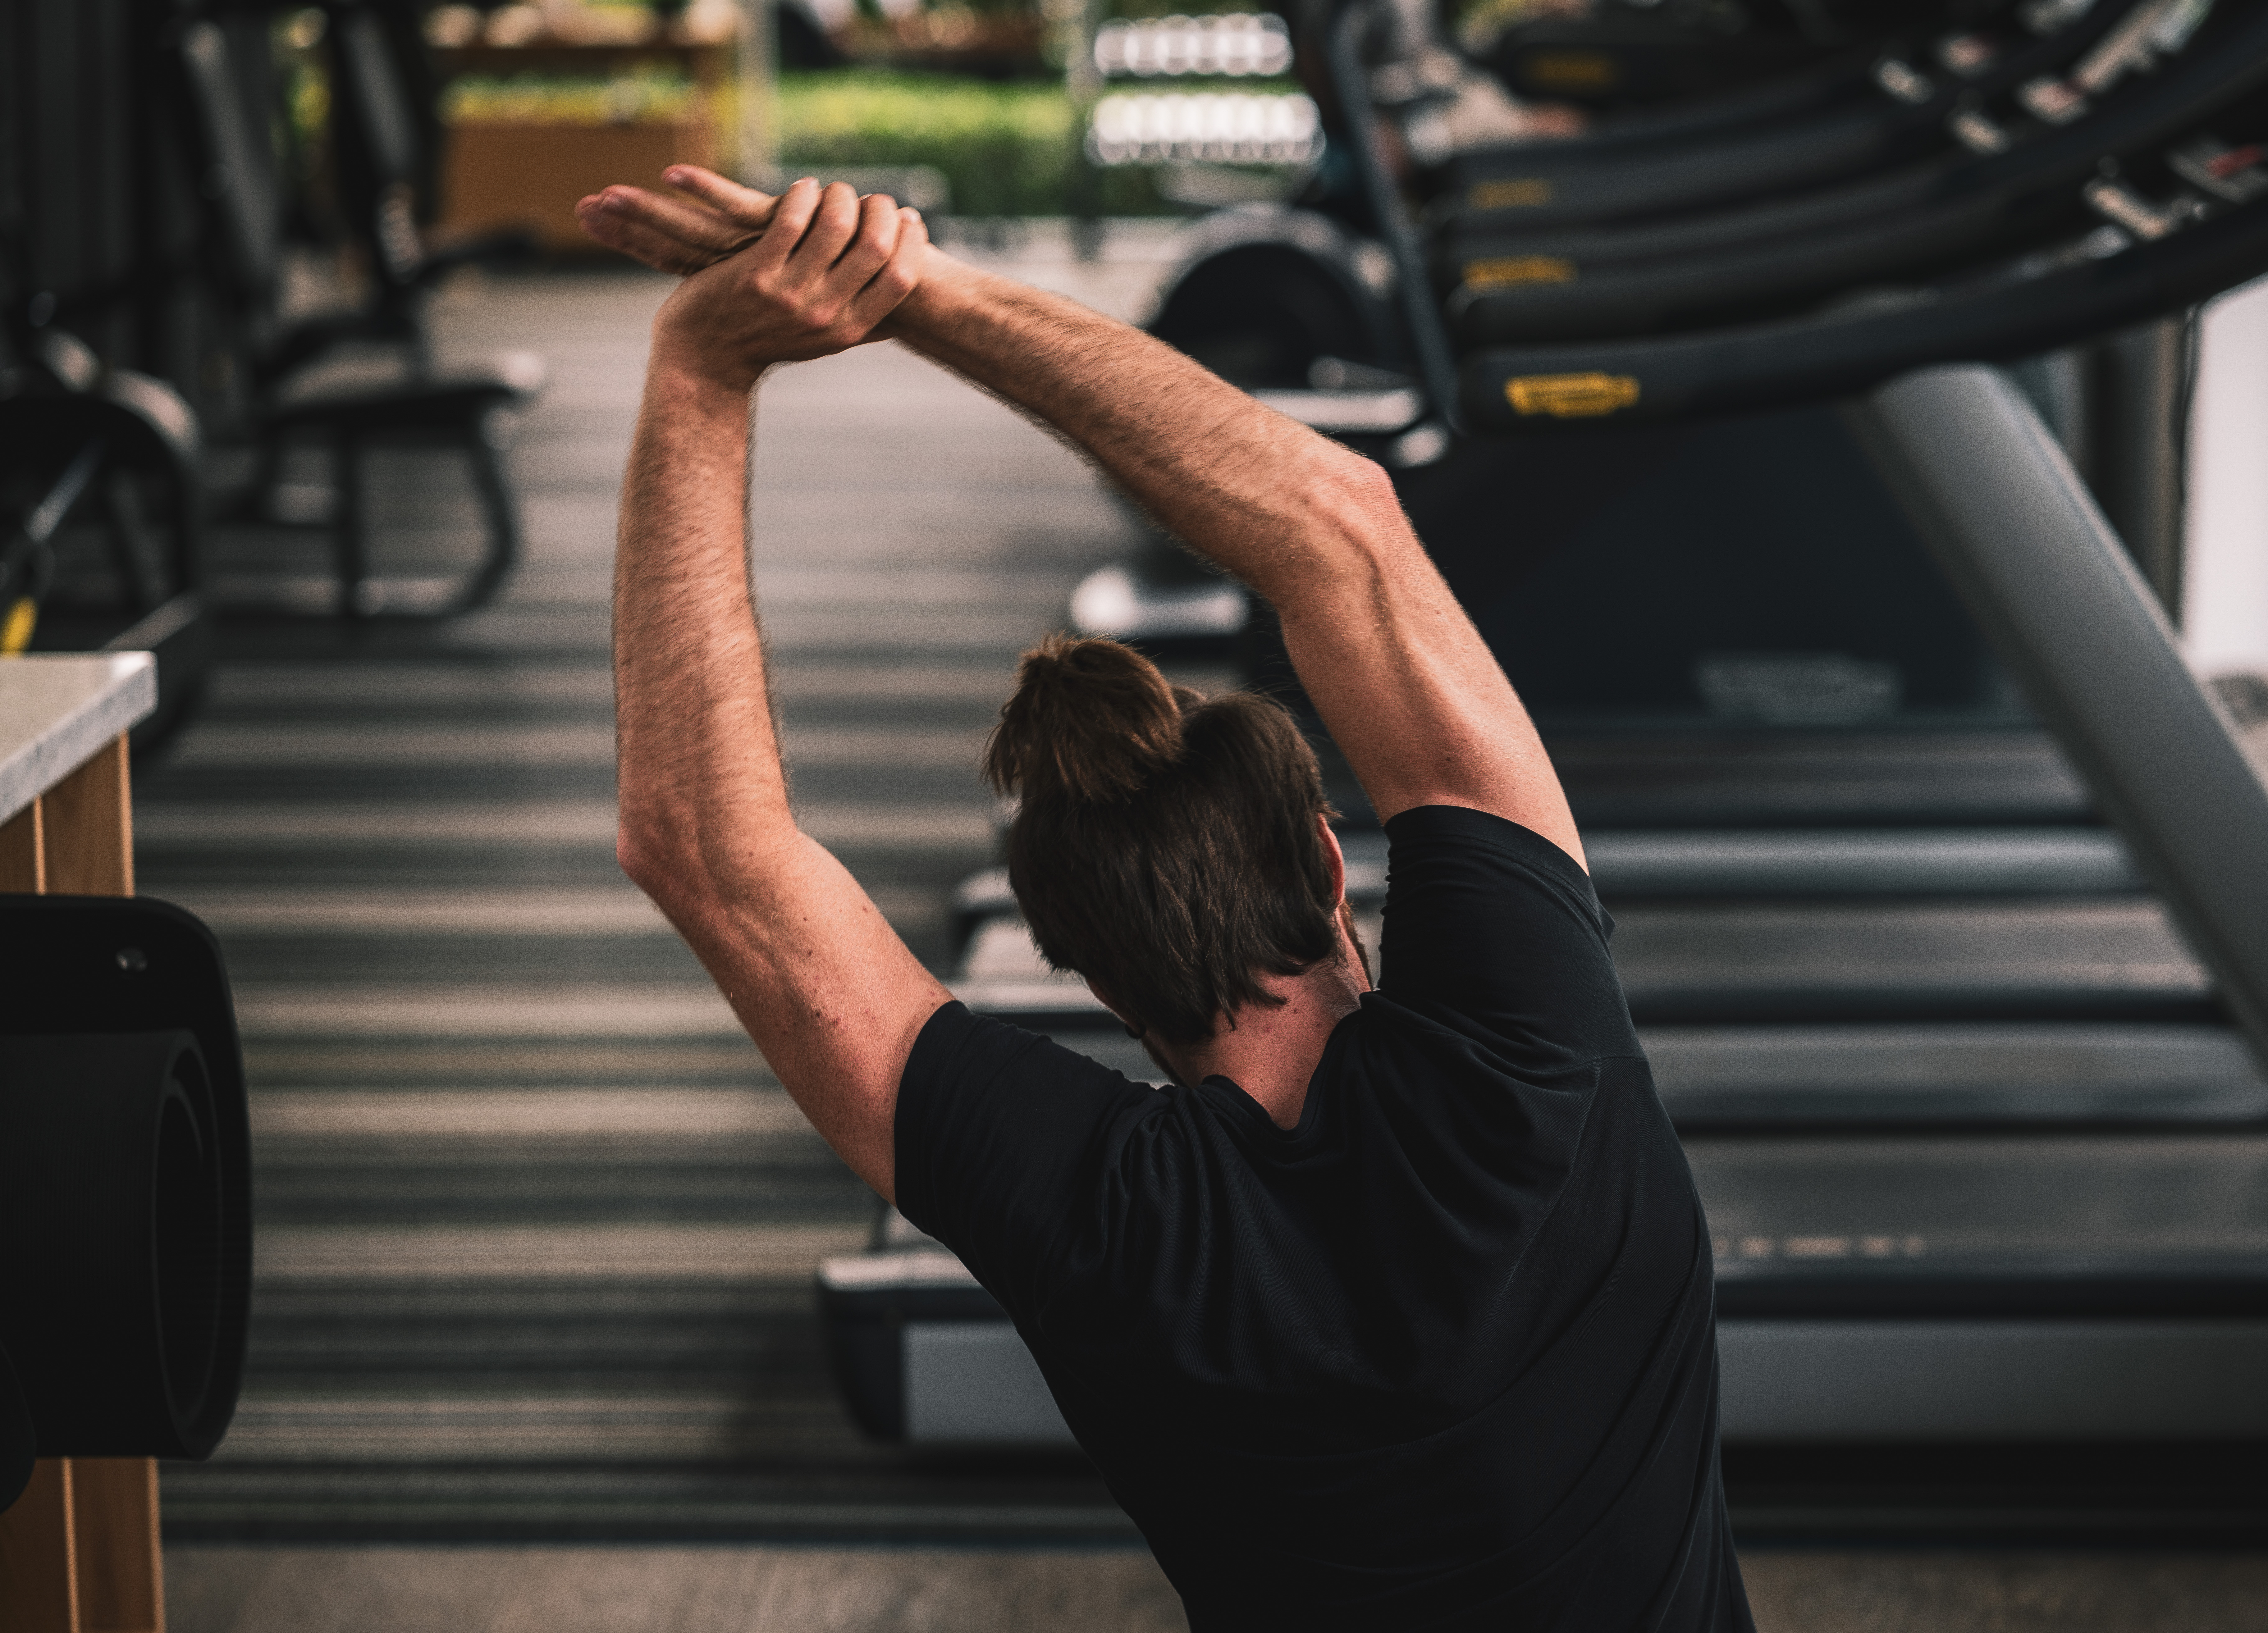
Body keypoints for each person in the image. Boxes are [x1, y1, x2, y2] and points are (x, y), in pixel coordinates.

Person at [585, 169, 1752, 1632]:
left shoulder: (1104, 1223)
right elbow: (1339, 522)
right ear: (1330, 861)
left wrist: (701, 368)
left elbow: (699, 843)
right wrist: (916, 288)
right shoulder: (1532, 1063)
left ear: (1080, 969)